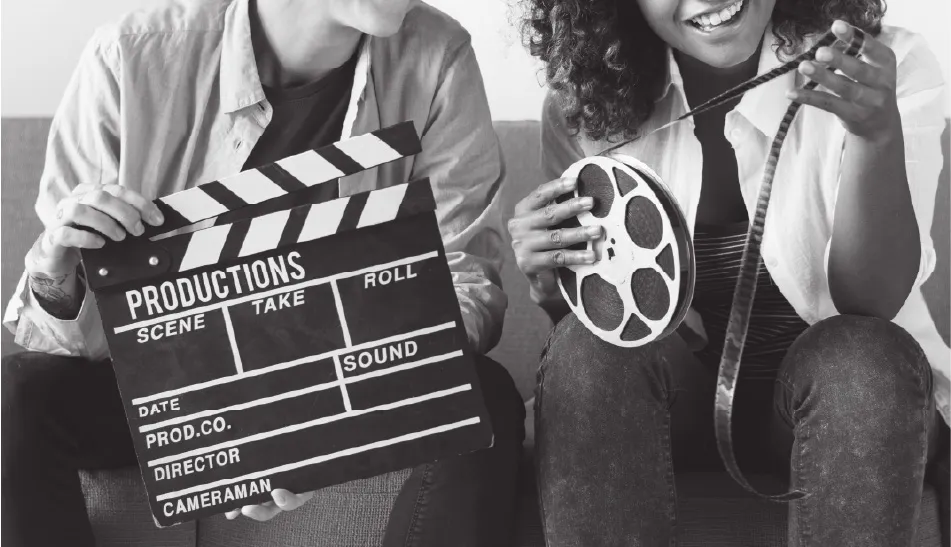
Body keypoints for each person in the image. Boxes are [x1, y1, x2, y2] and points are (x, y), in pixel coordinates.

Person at [1, 0, 526, 545]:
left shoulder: (439, 57)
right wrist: (54, 273)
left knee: (483, 392)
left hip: (346, 380)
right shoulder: (128, 59)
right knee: (17, 389)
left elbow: (465, 287)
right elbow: (64, 340)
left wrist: (308, 414)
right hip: (165, 390)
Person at [510, 0, 949, 545]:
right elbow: (599, 334)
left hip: (846, 404)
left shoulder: (880, 66)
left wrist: (875, 134)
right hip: (679, 408)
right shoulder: (584, 105)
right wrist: (552, 282)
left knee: (862, 357)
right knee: (588, 348)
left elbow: (871, 301)